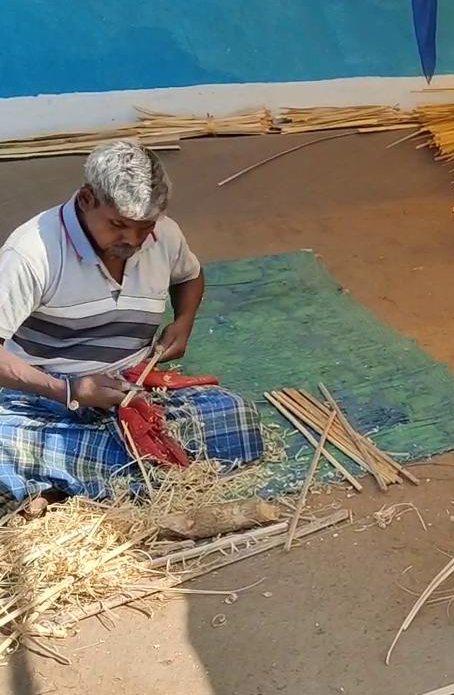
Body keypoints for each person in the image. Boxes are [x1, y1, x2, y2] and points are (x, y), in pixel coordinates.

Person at [0, 140, 265, 515]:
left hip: (133, 389)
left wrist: (183, 322)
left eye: (145, 227)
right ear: (87, 199)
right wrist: (69, 390)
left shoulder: (164, 235)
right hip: (46, 397)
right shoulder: (33, 252)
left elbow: (190, 276)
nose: (133, 241)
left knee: (236, 416)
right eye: (118, 225)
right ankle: (111, 473)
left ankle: (67, 480)